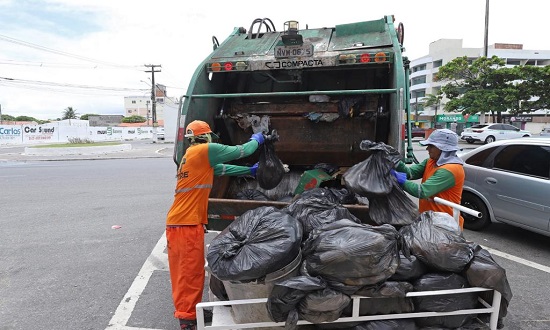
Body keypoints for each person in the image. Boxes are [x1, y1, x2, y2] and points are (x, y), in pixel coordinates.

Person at [165, 120, 264, 330]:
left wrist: (249, 171)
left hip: (184, 223)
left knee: (192, 272)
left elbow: (223, 169)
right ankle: (187, 320)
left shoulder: (193, 155)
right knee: (188, 273)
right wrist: (257, 139)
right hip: (185, 224)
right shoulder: (204, 150)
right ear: (206, 136)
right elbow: (242, 150)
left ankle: (192, 311)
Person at [390, 128, 465, 228]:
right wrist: (397, 162)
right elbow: (411, 173)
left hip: (445, 224)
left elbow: (422, 191)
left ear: (443, 148)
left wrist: (401, 181)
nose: (427, 149)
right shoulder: (431, 161)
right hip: (430, 220)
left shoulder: (451, 169)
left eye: (431, 146)